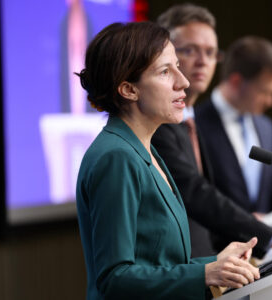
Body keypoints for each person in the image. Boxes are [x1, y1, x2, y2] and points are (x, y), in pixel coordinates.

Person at [75, 21, 260, 299]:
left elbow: (158, 264)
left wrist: (216, 263)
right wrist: (205, 273)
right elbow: (115, 278)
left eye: (177, 66)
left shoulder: (145, 148)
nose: (183, 81)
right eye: (165, 71)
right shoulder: (116, 157)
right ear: (128, 90)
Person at [152, 3, 272, 258]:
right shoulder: (167, 123)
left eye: (211, 52)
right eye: (189, 51)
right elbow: (195, 192)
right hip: (188, 267)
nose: (202, 61)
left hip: (225, 261)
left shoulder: (194, 122)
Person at [195, 36, 272, 214]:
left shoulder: (267, 127)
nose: (271, 102)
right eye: (265, 92)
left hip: (269, 240)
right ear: (236, 82)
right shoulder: (195, 126)